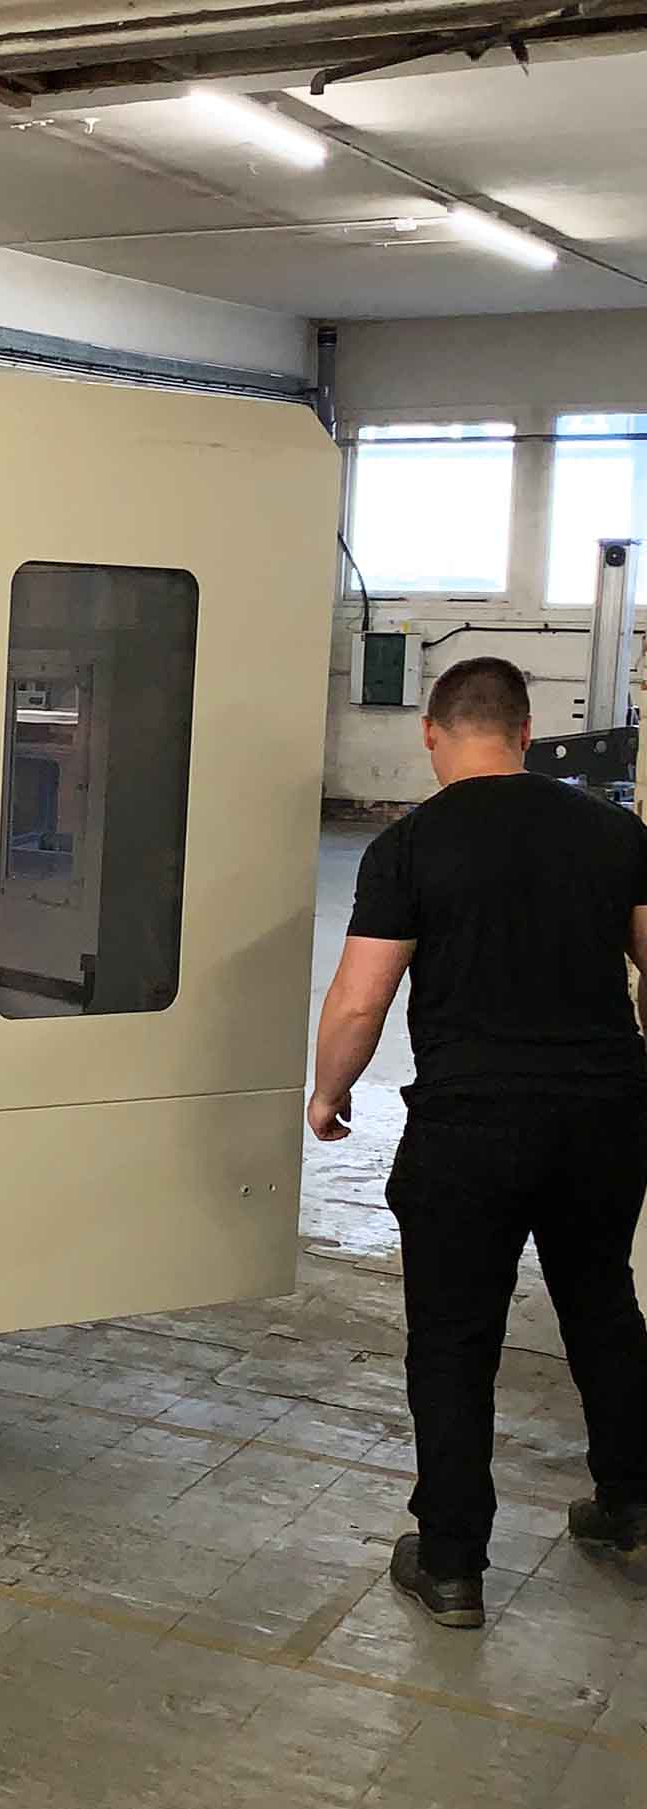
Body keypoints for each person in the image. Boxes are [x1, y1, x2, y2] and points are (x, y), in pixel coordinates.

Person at [310, 654, 647, 1628]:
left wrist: (328, 1089)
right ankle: (628, 1505)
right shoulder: (612, 830)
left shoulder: (409, 845)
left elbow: (360, 997)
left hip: (467, 1124)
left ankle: (451, 1560)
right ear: (526, 731)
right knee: (600, 1304)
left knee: (453, 1338)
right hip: (601, 1115)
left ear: (429, 731)